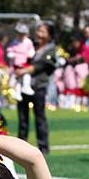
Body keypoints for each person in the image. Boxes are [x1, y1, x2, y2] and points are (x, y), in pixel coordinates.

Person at [15, 23, 57, 155]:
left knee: (39, 117)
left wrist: (25, 70)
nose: (39, 34)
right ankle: (21, 146)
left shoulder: (51, 49)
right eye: (38, 30)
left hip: (39, 86)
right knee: (22, 118)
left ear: (49, 35)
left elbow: (43, 64)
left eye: (43, 32)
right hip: (23, 86)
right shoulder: (29, 44)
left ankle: (43, 147)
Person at [7, 22, 35, 102]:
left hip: (24, 63)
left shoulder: (28, 42)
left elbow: (31, 49)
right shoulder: (14, 42)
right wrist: (11, 54)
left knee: (26, 75)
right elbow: (10, 50)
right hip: (16, 64)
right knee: (17, 79)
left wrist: (30, 53)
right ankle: (17, 92)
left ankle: (26, 87)